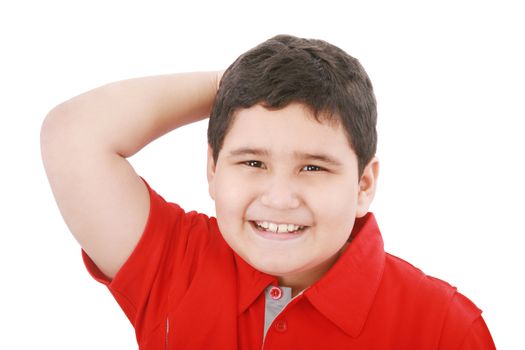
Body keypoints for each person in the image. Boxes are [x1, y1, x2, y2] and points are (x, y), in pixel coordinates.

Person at [41, 34, 496, 349]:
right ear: (212, 169)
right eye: (253, 162)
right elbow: (72, 137)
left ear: (364, 185)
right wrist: (232, 87)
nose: (279, 197)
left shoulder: (445, 328)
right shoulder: (176, 261)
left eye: (313, 167)